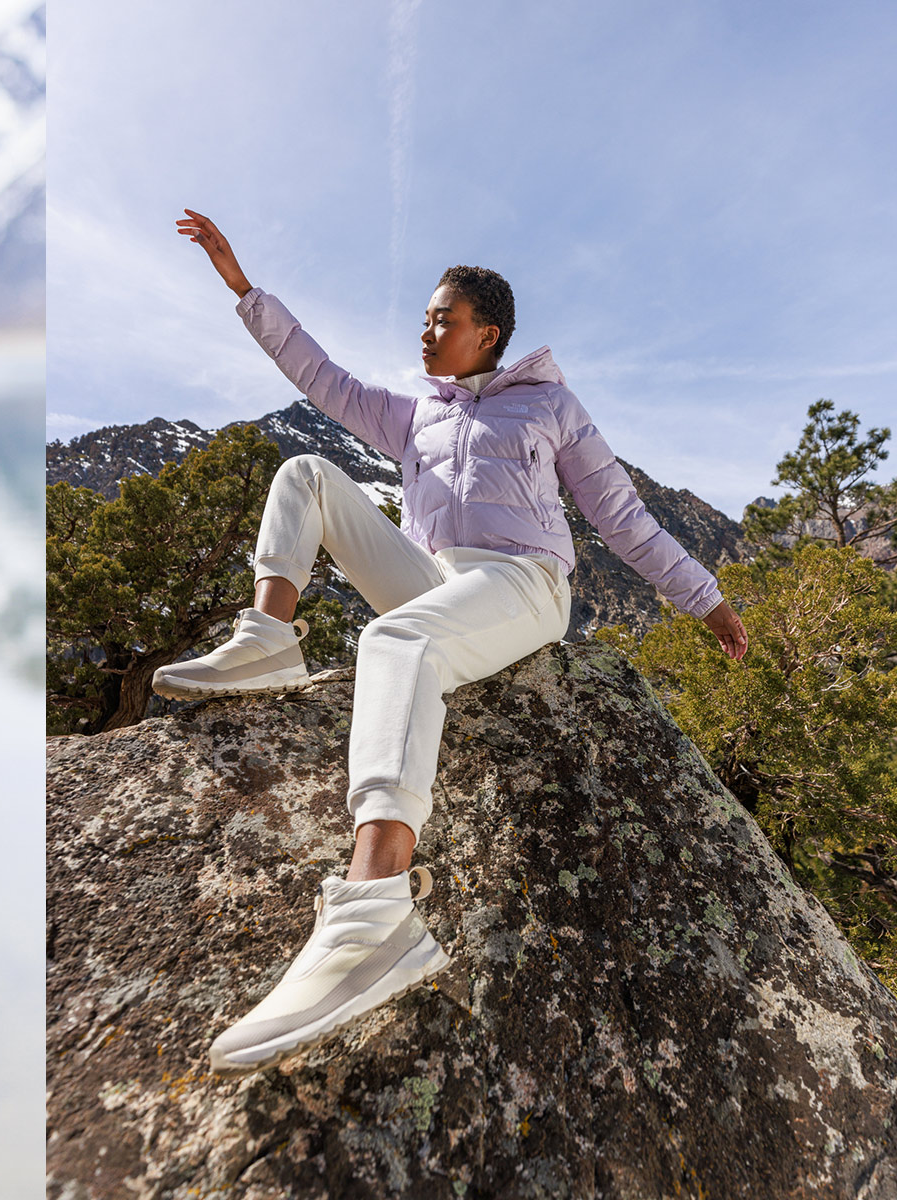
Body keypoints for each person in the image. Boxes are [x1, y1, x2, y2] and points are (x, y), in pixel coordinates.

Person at [163, 208, 749, 1077]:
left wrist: (707, 602)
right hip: (438, 581)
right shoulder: (414, 419)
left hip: (522, 584)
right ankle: (267, 637)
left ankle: (375, 912)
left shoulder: (548, 407)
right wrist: (244, 289)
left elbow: (620, 516)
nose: (427, 330)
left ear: (490, 334)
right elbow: (317, 376)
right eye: (426, 317)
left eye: (445, 319)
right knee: (307, 473)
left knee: (396, 642)